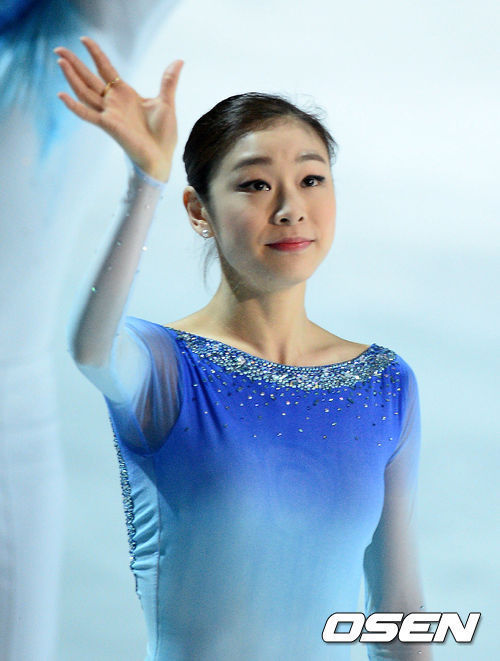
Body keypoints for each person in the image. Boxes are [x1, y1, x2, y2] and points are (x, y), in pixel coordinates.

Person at [58, 35, 432, 661]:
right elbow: (91, 348)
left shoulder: (385, 385)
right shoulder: (163, 366)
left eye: (311, 179)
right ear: (198, 211)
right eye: (256, 185)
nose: (290, 208)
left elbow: (397, 613)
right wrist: (144, 181)